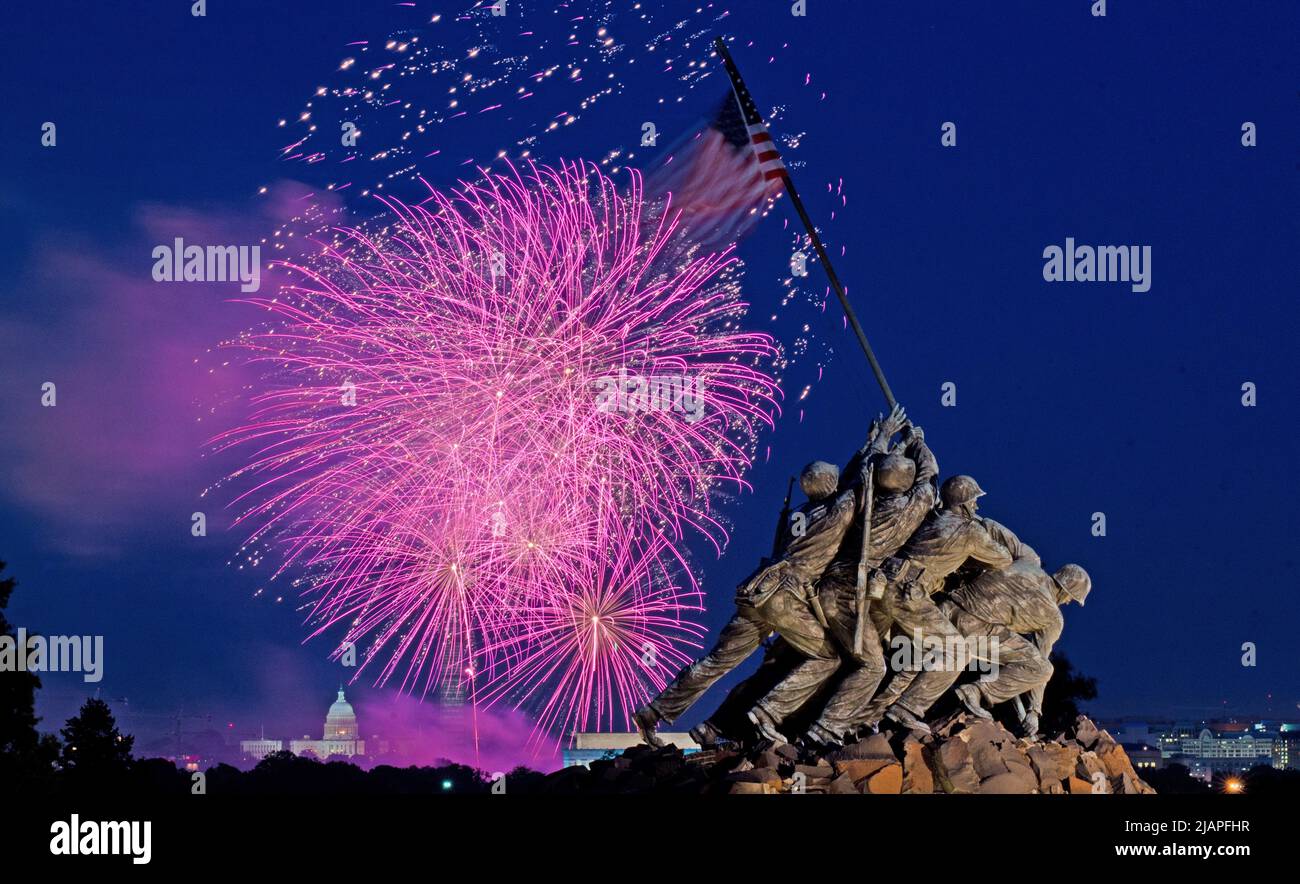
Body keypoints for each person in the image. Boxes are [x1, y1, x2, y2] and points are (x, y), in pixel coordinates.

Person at [633, 406, 907, 747]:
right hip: (784, 597)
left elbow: (848, 480)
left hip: (756, 591)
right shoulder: (838, 513)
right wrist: (882, 440)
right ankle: (767, 712)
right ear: (829, 485)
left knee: (717, 662)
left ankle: (655, 711)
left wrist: (872, 442)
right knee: (829, 656)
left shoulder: (802, 515)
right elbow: (860, 481)